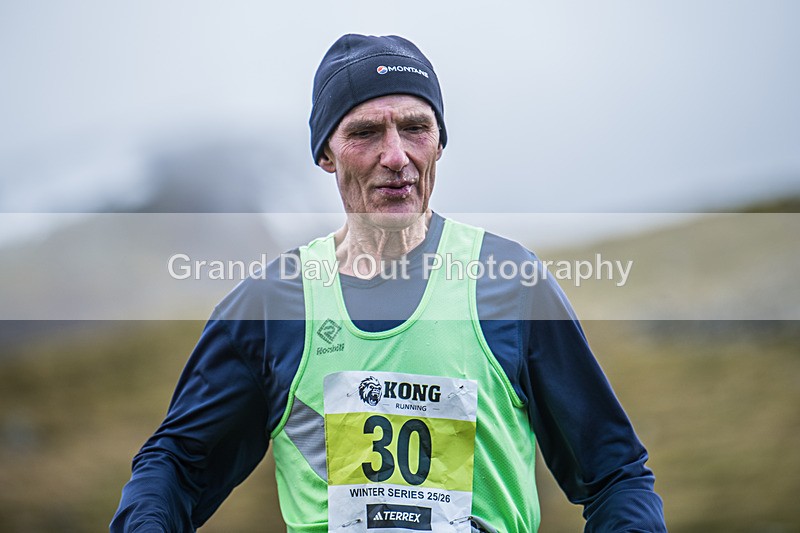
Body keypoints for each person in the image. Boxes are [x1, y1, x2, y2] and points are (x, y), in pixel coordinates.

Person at [111, 34, 666, 532]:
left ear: (440, 144)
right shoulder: (270, 307)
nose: (395, 156)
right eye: (366, 132)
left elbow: (616, 475)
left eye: (416, 128)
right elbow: (176, 467)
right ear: (326, 154)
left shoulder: (511, 285)